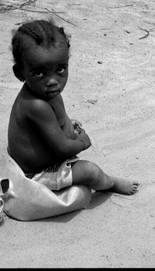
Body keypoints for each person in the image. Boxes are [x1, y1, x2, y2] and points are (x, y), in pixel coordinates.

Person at [8, 19, 139, 195]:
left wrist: (68, 124)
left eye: (60, 69)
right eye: (39, 73)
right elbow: (62, 149)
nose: (53, 81)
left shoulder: (45, 91)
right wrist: (83, 142)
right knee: (91, 172)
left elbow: (57, 119)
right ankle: (110, 184)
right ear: (20, 73)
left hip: (42, 162)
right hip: (33, 175)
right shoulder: (36, 105)